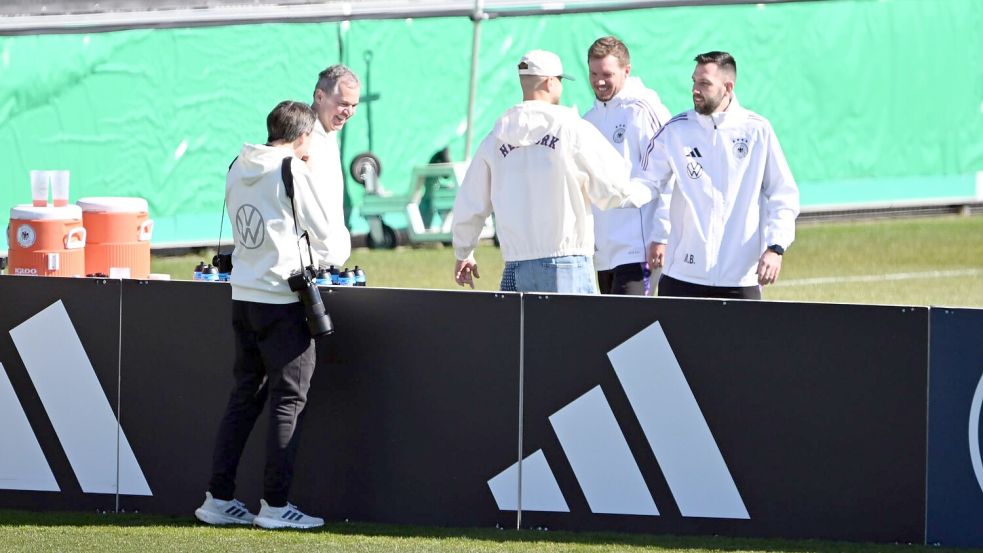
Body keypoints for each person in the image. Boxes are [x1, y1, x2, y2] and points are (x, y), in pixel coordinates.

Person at [194, 100, 348, 529]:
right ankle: (276, 507)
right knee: (287, 403)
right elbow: (332, 242)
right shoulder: (293, 169)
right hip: (282, 300)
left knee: (244, 398)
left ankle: (218, 498)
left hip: (243, 296)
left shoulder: (236, 164)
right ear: (303, 137)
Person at [451, 50, 654, 294]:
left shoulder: (495, 138)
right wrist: (647, 190)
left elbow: (470, 202)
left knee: (523, 333)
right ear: (550, 82)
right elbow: (612, 188)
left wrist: (464, 251)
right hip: (568, 262)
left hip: (515, 263)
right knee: (573, 333)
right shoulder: (572, 128)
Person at [643, 51, 799, 299]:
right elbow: (644, 183)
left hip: (739, 279)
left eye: (704, 83)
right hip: (682, 276)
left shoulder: (757, 130)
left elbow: (784, 195)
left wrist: (775, 247)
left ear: (728, 87)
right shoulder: (676, 130)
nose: (695, 89)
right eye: (694, 81)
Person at [583, 36, 672, 296]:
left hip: (639, 249)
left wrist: (662, 235)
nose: (599, 81)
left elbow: (669, 175)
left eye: (607, 74)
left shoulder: (643, 110)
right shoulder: (588, 120)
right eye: (593, 73)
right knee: (611, 331)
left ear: (626, 71)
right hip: (603, 253)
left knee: (632, 328)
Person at [306, 64, 360, 262]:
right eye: (344, 104)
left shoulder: (329, 133)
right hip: (309, 262)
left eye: (354, 106)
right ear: (319, 97)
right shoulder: (302, 137)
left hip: (329, 260)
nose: (349, 112)